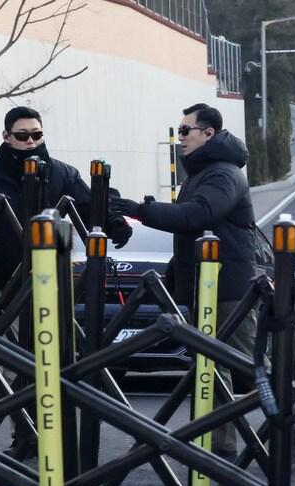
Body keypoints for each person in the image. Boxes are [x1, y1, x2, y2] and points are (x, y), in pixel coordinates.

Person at [0, 105, 133, 456]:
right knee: (3, 357)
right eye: (22, 135)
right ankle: (10, 424)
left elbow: (88, 206)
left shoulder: (61, 173)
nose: (31, 141)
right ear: (6, 137)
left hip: (48, 282)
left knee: (44, 359)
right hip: (0, 281)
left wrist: (114, 223)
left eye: (37, 134)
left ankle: (32, 434)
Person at [109, 103, 259, 458]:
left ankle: (289, 422)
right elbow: (192, 227)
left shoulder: (222, 174)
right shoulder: (202, 173)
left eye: (185, 130)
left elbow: (196, 215)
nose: (180, 138)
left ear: (208, 133)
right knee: (212, 364)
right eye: (178, 131)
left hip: (225, 288)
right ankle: (218, 444)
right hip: (206, 286)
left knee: (245, 366)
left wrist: (139, 211)